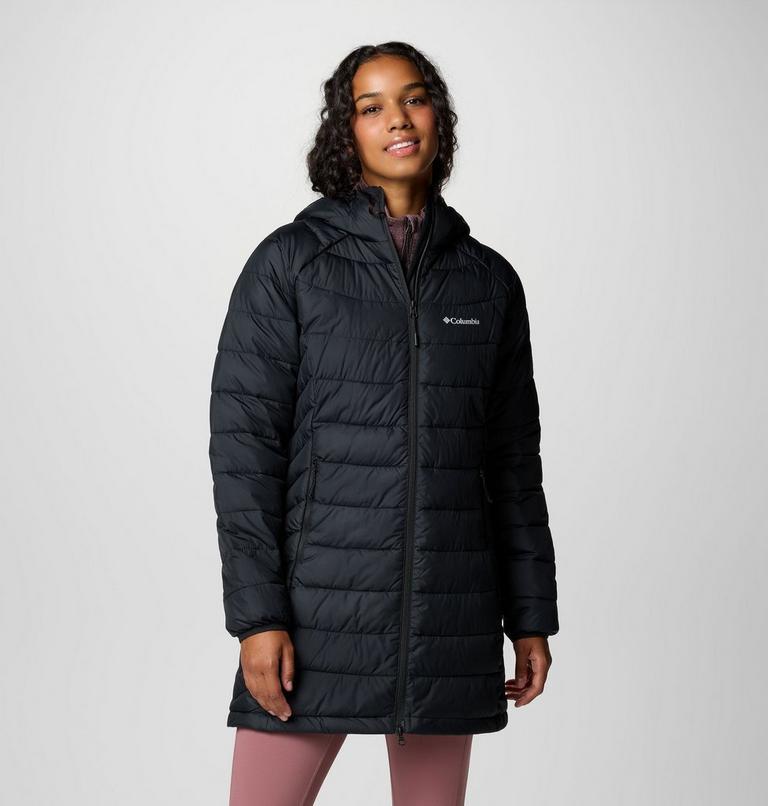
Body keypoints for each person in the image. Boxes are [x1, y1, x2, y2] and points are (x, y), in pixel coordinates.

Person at [209, 41, 559, 806]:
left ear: (438, 117)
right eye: (372, 107)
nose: (398, 119)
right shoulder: (291, 264)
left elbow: (512, 465)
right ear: (348, 132)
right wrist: (257, 618)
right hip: (316, 618)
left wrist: (531, 616)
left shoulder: (488, 282)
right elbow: (244, 455)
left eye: (414, 98)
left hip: (449, 616)